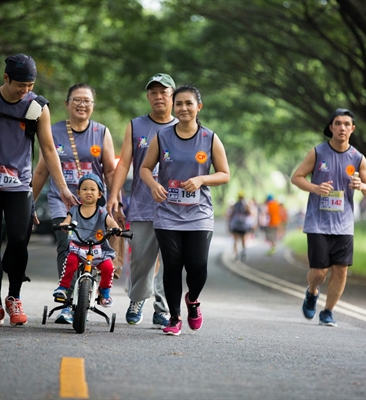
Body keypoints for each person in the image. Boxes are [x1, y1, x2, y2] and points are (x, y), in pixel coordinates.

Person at [0, 54, 76, 327]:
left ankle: (14, 296)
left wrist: (64, 189)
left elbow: (48, 151)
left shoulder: (37, 107)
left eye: (30, 85)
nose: (25, 90)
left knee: (20, 240)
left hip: (20, 184)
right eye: (20, 85)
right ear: (6, 78)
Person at [140, 85, 230, 335]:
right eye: (178, 103)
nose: (183, 108)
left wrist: (202, 180)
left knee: (198, 266)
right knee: (172, 265)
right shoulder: (162, 137)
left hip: (199, 214)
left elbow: (225, 174)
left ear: (198, 107)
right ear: (173, 107)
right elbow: (145, 168)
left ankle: (192, 300)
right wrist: (154, 184)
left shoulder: (210, 138)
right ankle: (174, 318)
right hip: (167, 214)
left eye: (188, 103)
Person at [32, 83, 117, 324]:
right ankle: (67, 301)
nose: (82, 104)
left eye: (87, 101)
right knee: (66, 244)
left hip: (94, 207)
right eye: (77, 100)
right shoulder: (53, 131)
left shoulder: (102, 132)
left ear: (93, 105)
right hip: (63, 202)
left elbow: (110, 171)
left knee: (95, 249)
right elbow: (41, 172)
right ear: (67, 103)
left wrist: (113, 200)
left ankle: (88, 291)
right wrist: (29, 203)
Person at [291, 108, 366, 327]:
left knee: (341, 270)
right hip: (318, 223)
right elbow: (297, 178)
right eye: (338, 123)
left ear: (352, 129)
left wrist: (361, 185)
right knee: (319, 272)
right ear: (331, 127)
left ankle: (328, 311)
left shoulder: (358, 158)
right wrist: (315, 188)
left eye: (347, 124)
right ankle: (312, 291)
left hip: (344, 225)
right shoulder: (318, 153)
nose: (342, 128)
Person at [106, 73, 178, 328]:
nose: (159, 97)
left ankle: (163, 306)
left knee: (171, 260)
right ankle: (137, 298)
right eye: (154, 92)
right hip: (142, 204)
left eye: (164, 92)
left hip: (176, 207)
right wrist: (114, 195)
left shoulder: (184, 126)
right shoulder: (136, 126)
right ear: (148, 96)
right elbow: (124, 162)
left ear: (173, 96)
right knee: (142, 259)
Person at [54, 173, 118, 307]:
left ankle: (104, 292)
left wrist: (116, 229)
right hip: (78, 248)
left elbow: (111, 223)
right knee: (70, 261)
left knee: (108, 267)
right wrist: (65, 225)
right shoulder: (75, 210)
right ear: (78, 193)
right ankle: (63, 288)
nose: (88, 192)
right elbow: (67, 220)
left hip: (97, 250)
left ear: (100, 194)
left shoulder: (101, 212)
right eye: (84, 189)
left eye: (93, 189)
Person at [228, 191, 252, 260]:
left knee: (236, 240)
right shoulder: (245, 205)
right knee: (242, 240)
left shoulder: (235, 205)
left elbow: (231, 215)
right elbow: (249, 214)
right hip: (242, 226)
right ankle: (242, 253)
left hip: (236, 225)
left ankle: (237, 254)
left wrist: (230, 225)